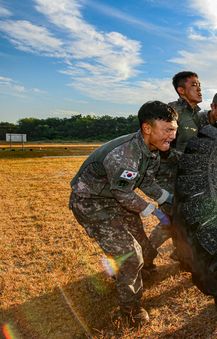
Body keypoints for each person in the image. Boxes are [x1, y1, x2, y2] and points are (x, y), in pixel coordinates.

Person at [69, 101, 178, 326]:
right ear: (147, 128)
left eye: (174, 130)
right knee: (131, 254)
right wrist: (156, 213)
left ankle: (130, 273)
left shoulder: (152, 150)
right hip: (92, 202)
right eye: (167, 130)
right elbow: (124, 195)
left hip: (115, 196)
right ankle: (129, 311)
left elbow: (145, 180)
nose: (172, 136)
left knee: (144, 246)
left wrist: (167, 198)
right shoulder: (125, 155)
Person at [149, 71, 202, 267]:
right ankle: (141, 260)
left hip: (186, 173)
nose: (199, 88)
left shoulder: (198, 114)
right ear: (181, 90)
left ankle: (181, 255)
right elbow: (162, 145)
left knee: (184, 218)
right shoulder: (171, 112)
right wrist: (189, 159)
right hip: (167, 173)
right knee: (170, 220)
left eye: (199, 84)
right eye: (194, 85)